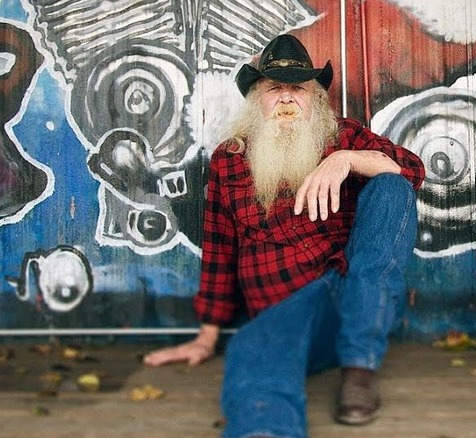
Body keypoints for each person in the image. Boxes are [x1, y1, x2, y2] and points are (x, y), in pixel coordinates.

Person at [143, 33, 425, 438]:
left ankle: (360, 369)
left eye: (298, 89)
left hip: (352, 302)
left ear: (315, 99)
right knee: (252, 348)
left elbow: (413, 170)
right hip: (283, 318)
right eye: (275, 88)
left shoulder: (343, 137)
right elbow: (220, 249)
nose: (288, 98)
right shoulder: (230, 159)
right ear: (257, 99)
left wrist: (347, 160)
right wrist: (206, 338)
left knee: (392, 185)